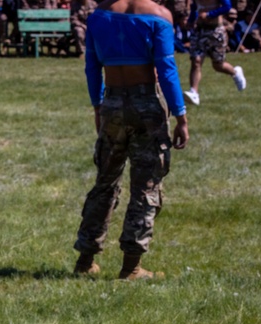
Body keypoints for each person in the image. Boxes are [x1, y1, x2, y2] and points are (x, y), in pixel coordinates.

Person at [74, 0, 189, 279]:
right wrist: (181, 116)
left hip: (112, 101)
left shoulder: (98, 16)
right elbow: (166, 68)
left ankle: (85, 260)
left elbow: (92, 65)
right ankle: (131, 267)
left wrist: (98, 106)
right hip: (146, 104)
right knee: (145, 186)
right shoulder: (159, 16)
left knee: (105, 182)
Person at [184, 0, 246, 105]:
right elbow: (195, 7)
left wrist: (209, 15)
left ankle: (235, 72)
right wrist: (191, 20)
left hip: (215, 31)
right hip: (199, 30)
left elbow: (227, 6)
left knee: (218, 65)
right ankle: (194, 93)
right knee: (196, 60)